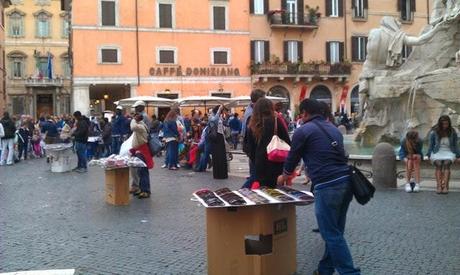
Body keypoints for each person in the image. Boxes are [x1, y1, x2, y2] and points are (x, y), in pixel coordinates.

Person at [277, 99, 360, 275]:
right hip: (346, 182)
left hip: (327, 184)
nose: (300, 116)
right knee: (335, 232)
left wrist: (284, 175)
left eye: (301, 113)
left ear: (305, 113)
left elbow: (293, 156)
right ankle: (325, 270)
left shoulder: (304, 130)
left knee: (330, 234)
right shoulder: (333, 128)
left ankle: (350, 272)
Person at [246, 98, 290, 187]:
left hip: (259, 164)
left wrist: (255, 159)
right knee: (276, 192)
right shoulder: (276, 121)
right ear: (270, 108)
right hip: (276, 162)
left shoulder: (252, 123)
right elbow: (288, 142)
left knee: (261, 192)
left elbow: (248, 147)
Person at [427, 115, 460, 194]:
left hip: (449, 151)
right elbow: (431, 144)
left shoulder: (453, 131)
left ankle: (445, 186)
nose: (445, 125)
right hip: (437, 152)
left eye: (446, 124)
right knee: (438, 164)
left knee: (446, 163)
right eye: (443, 124)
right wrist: (428, 155)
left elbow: (455, 144)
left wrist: (458, 155)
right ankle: (438, 186)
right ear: (440, 124)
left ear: (449, 123)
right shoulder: (434, 132)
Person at [241, 90, 266, 187]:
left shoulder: (249, 110)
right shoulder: (253, 113)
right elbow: (252, 134)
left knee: (255, 176)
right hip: (256, 150)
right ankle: (241, 194)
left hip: (253, 150)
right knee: (255, 176)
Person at [130, 113, 152, 199]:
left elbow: (132, 127)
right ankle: (141, 188)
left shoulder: (141, 126)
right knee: (139, 171)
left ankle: (146, 190)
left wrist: (133, 119)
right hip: (139, 150)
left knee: (143, 171)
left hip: (142, 151)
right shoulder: (141, 125)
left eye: (135, 117)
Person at [208, 105, 228, 179]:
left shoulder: (219, 116)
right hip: (215, 137)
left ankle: (223, 174)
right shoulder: (211, 116)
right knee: (217, 156)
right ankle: (217, 174)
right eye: (221, 110)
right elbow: (214, 121)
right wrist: (219, 110)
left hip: (220, 136)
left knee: (222, 156)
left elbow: (224, 124)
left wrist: (224, 117)